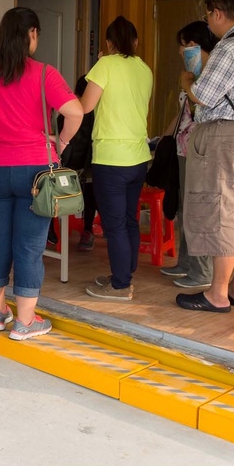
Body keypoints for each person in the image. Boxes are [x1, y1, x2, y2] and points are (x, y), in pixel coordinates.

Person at [0, 7, 82, 340]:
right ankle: (26, 322)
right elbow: (74, 111)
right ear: (31, 33)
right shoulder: (45, 74)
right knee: (29, 246)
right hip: (35, 171)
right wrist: (61, 142)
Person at [176, 0, 234, 313]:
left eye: (209, 15)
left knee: (221, 210)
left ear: (218, 12)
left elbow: (204, 95)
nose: (208, 23)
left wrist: (186, 80)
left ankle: (217, 293)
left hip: (223, 137)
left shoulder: (230, 47)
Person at [81, 16, 153, 301]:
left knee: (115, 225)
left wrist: (100, 64)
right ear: (135, 42)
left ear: (109, 43)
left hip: (111, 157)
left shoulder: (105, 65)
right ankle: (124, 274)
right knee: (128, 219)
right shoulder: (144, 68)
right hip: (138, 157)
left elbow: (86, 106)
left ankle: (121, 285)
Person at [162, 20, 219, 290]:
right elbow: (183, 114)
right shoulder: (191, 76)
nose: (183, 51)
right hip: (184, 149)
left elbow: (201, 113)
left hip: (203, 150)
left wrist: (188, 86)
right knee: (185, 210)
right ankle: (185, 262)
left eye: (188, 45)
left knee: (199, 211)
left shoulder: (210, 77)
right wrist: (162, 138)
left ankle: (202, 271)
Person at [48, 74, 97, 250]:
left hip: (68, 166)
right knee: (91, 189)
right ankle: (87, 230)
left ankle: (50, 227)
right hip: (87, 168)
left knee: (48, 184)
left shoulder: (71, 110)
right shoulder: (94, 112)